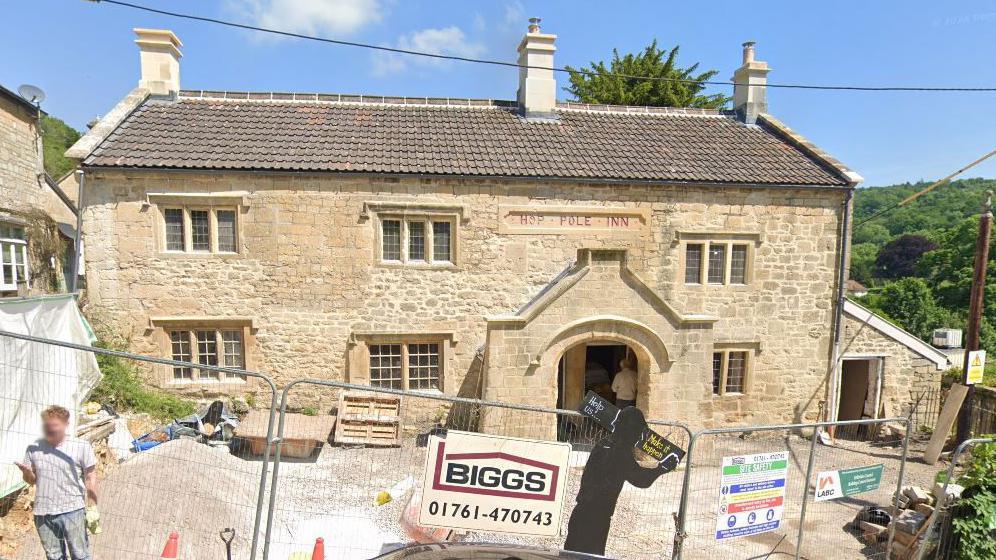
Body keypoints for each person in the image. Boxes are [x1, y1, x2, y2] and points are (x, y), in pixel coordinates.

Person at [563, 407, 676, 556]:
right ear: (630, 429)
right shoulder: (619, 452)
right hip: (596, 517)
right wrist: (661, 468)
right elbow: (640, 479)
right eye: (637, 431)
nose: (638, 437)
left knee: (572, 554)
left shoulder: (604, 443)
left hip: (582, 512)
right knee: (591, 555)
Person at [16, 405, 98, 560]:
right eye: (47, 425)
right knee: (54, 557)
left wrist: (93, 506)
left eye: (54, 425)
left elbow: (91, 476)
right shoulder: (33, 449)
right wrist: (27, 473)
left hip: (73, 510)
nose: (50, 429)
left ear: (66, 424)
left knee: (80, 555)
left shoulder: (81, 446)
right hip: (43, 514)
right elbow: (31, 481)